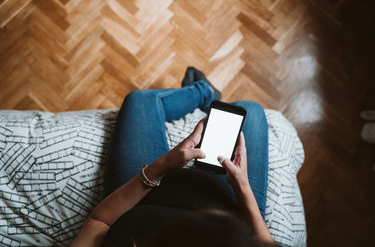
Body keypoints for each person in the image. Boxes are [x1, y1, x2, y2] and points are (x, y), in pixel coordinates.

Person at [71, 67, 274, 247]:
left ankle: (203, 91)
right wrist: (243, 187)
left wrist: (163, 164)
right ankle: (208, 93)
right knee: (251, 110)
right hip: (224, 198)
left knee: (140, 100)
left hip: (142, 198)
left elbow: (100, 221)